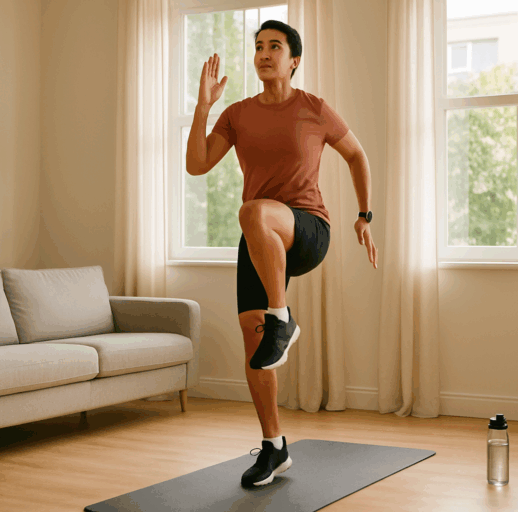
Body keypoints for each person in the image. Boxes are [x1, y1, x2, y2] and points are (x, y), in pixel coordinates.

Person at [185, 19, 378, 488]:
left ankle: (281, 317)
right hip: (261, 238)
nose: (264, 53)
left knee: (252, 211)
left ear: (294, 60)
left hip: (308, 229)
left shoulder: (314, 109)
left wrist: (364, 216)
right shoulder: (237, 114)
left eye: (275, 46)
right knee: (257, 351)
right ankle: (274, 447)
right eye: (258, 47)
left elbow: (357, 155)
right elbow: (196, 165)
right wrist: (203, 106)